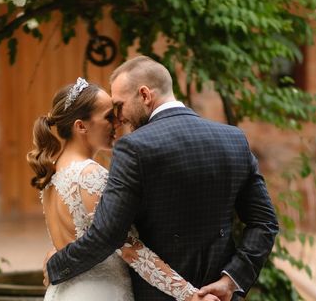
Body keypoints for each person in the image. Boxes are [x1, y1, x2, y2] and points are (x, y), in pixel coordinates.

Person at [46, 56, 279, 300]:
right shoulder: (234, 139)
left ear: (145, 95)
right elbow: (265, 223)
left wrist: (56, 263)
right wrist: (230, 280)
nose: (120, 118)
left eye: (120, 106)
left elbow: (108, 236)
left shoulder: (134, 148)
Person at [27, 78, 219, 301]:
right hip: (100, 293)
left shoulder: (54, 174)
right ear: (81, 126)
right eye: (109, 116)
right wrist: (189, 295)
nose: (118, 123)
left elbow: (69, 243)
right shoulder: (89, 175)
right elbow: (129, 248)